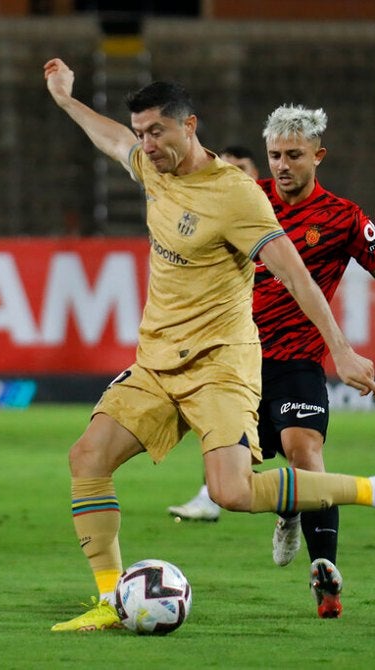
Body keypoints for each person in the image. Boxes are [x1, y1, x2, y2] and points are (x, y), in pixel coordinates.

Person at [41, 58, 375, 632]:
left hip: (220, 364)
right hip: (156, 361)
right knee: (87, 458)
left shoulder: (236, 196)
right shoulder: (153, 169)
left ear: (190, 126)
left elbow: (297, 275)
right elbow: (111, 138)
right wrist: (65, 100)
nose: (146, 144)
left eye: (158, 132)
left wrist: (343, 350)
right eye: (143, 133)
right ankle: (110, 598)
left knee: (232, 492)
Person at [256, 104, 375, 617]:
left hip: (299, 360)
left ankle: (324, 573)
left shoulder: (344, 218)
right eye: (274, 156)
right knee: (238, 476)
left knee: (304, 453)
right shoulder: (251, 201)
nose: (282, 165)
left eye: (293, 155)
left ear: (319, 155)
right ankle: (288, 508)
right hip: (237, 359)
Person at [166, 144, 260, 522]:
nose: (234, 173)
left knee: (297, 442)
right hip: (230, 342)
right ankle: (210, 495)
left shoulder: (265, 217)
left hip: (274, 345)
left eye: (243, 166)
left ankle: (310, 506)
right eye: (229, 166)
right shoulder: (211, 214)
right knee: (215, 424)